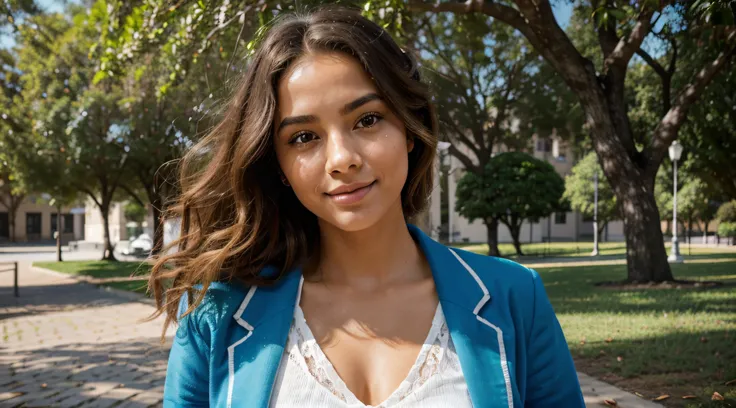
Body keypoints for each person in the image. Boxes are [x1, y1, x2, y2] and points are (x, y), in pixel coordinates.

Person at [152, 6, 585, 408]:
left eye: (367, 119)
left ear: (409, 129)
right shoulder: (214, 314)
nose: (342, 159)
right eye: (304, 137)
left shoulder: (515, 297)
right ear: (278, 164)